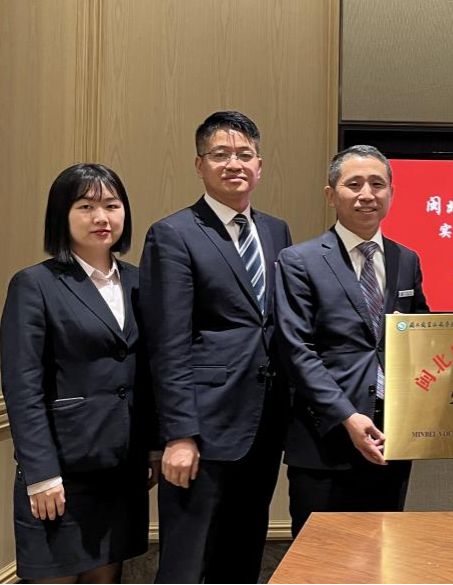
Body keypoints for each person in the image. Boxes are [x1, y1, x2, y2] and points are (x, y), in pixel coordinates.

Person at [140, 111, 292, 583]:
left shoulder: (276, 230)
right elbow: (167, 343)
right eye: (220, 154)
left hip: (263, 422)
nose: (234, 164)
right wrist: (179, 434)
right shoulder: (174, 233)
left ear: (259, 165)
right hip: (202, 427)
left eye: (244, 154)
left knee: (243, 553)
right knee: (187, 563)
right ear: (199, 164)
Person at [1, 164, 153, 583]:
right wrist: (41, 474)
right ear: (61, 215)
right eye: (86, 206)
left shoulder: (141, 282)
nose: (101, 217)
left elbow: (151, 372)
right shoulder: (35, 283)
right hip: (62, 470)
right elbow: (22, 386)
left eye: (112, 205)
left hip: (122, 468)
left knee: (106, 578)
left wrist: (154, 447)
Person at [275, 145, 429, 537]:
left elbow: (422, 337)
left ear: (391, 193)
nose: (367, 194)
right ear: (331, 194)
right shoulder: (299, 260)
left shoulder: (406, 260)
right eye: (354, 184)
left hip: (390, 438)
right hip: (325, 439)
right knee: (320, 558)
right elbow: (296, 350)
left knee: (383, 551)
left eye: (377, 184)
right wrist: (347, 416)